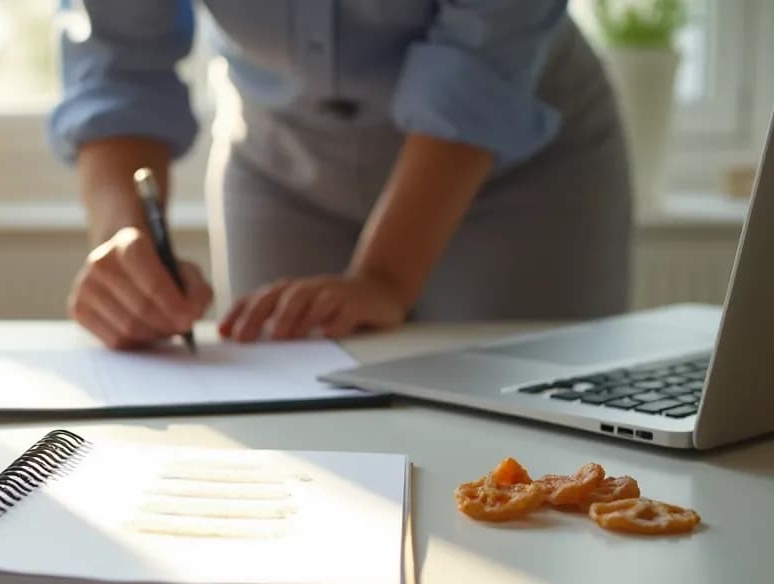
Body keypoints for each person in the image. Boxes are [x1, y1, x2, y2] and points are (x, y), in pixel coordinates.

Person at [52, 0, 631, 349]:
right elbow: (117, 60)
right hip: (282, 162)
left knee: (529, 450)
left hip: (517, 162)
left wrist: (383, 278)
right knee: (296, 453)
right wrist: (123, 249)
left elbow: (480, 62)